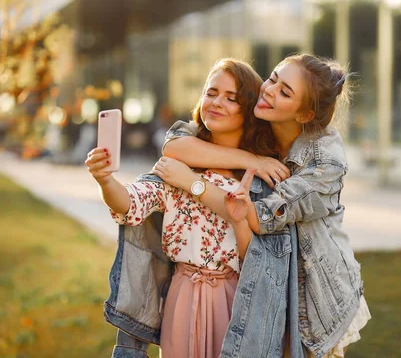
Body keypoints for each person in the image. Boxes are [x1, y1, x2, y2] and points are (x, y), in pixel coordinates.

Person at [157, 53, 371, 358]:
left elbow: (258, 217)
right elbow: (176, 145)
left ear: (305, 114)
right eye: (272, 78)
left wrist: (194, 184)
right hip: (269, 284)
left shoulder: (325, 160)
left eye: (285, 92)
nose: (269, 90)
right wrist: (251, 159)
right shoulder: (259, 122)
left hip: (315, 295)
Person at [85, 58, 277, 358]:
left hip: (237, 300)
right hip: (182, 296)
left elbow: (260, 257)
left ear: (249, 108)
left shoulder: (259, 180)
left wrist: (235, 214)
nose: (216, 102)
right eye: (211, 93)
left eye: (231, 98)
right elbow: (131, 203)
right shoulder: (178, 165)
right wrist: (105, 180)